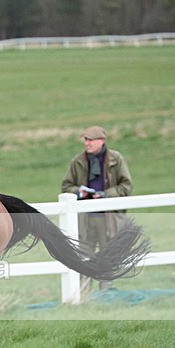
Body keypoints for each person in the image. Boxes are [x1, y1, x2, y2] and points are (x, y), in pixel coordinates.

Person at [61, 125, 133, 293]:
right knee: (84, 256)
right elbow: (66, 186)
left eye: (91, 140)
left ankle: (105, 294)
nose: (87, 143)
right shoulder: (77, 161)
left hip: (109, 219)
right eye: (86, 140)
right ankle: (82, 293)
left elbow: (126, 186)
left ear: (101, 141)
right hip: (85, 218)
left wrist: (105, 195)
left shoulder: (116, 159)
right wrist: (79, 192)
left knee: (107, 256)